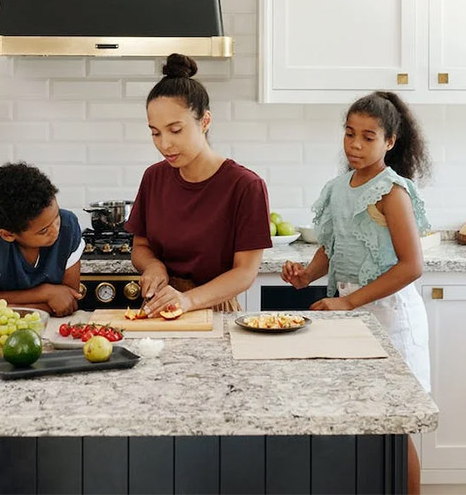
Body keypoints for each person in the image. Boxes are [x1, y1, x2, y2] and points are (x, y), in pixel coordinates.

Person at [281, 91, 431, 495]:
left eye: (368, 137)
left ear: (390, 142)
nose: (355, 145)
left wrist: (347, 301)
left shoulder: (392, 192)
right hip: (352, 319)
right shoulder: (338, 187)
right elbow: (334, 246)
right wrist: (306, 275)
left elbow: (411, 266)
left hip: (389, 316)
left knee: (396, 428)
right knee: (359, 419)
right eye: (350, 134)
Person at [127, 53, 272, 316]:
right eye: (155, 132)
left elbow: (245, 272)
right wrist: (153, 266)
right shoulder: (153, 178)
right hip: (159, 308)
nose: (164, 144)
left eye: (175, 130)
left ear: (204, 121)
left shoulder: (245, 186)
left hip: (215, 309)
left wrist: (189, 300)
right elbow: (141, 247)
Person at [0, 162, 84, 317]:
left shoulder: (68, 226)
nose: (55, 230)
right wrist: (45, 293)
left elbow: (67, 302)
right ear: (8, 235)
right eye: (44, 230)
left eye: (56, 217)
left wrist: (2, 305)